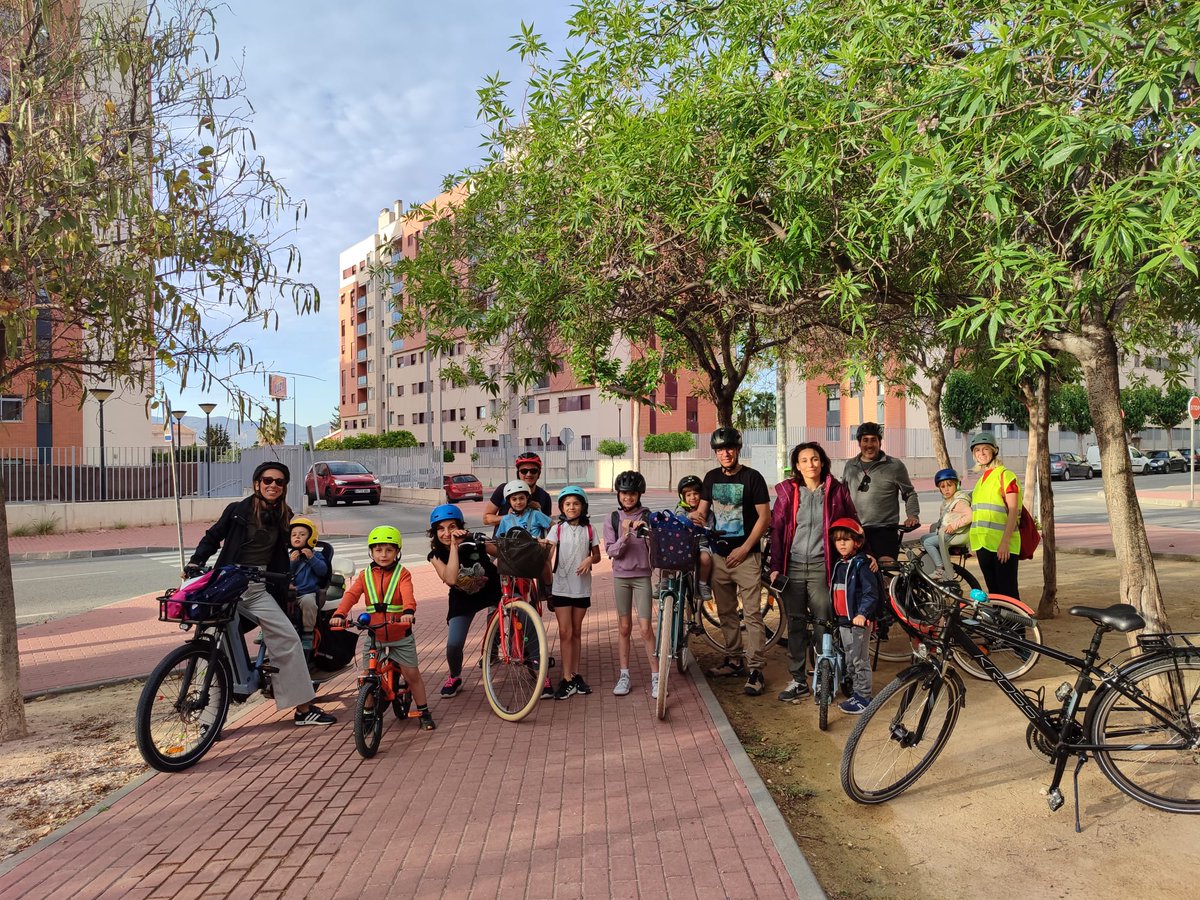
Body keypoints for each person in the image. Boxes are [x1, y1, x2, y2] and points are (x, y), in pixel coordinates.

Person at [185, 462, 335, 726]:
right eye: (267, 480)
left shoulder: (284, 515)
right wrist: (196, 562)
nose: (273, 485)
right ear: (257, 484)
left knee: (287, 639)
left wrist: (304, 560)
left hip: (258, 588)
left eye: (279, 482)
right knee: (212, 644)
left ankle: (303, 709)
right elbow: (212, 537)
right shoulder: (237, 511)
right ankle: (207, 721)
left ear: (284, 487)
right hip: (226, 584)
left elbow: (296, 545)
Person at [768, 442, 859, 703]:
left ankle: (824, 676)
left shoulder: (836, 492)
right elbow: (777, 531)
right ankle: (798, 680)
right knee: (795, 623)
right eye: (805, 460)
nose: (811, 464)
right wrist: (776, 567)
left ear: (823, 462)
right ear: (797, 465)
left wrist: (862, 554)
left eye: (815, 459)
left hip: (822, 565)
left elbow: (851, 522)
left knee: (823, 621)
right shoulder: (787, 493)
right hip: (793, 566)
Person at [689, 427, 771, 697]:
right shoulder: (711, 478)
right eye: (720, 450)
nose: (725, 453)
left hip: (746, 557)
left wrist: (746, 548)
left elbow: (764, 517)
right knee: (725, 612)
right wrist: (692, 518)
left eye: (729, 448)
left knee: (752, 614)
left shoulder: (752, 478)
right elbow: (703, 511)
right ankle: (734, 659)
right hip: (719, 557)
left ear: (738, 449)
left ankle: (756, 669)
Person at [330, 526, 435, 730]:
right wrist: (339, 614)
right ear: (371, 552)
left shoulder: (402, 574)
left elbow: (408, 595)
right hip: (374, 635)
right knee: (367, 676)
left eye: (389, 550)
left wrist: (408, 612)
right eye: (378, 550)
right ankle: (368, 713)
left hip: (400, 633)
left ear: (397, 552)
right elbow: (351, 595)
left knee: (412, 674)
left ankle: (424, 711)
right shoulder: (365, 575)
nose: (383, 555)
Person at [427, 504, 500, 698]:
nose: (446, 532)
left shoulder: (475, 541)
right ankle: (455, 676)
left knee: (523, 613)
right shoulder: (435, 555)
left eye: (452, 527)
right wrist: (454, 546)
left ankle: (536, 664)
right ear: (434, 533)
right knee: (454, 644)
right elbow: (450, 578)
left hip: (493, 589)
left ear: (460, 526)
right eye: (440, 529)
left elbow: (502, 554)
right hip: (463, 598)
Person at [603, 470, 657, 698]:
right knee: (624, 628)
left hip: (642, 577)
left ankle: (656, 677)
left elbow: (657, 548)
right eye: (624, 493)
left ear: (639, 494)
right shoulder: (612, 519)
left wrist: (648, 533)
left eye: (632, 494)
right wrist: (625, 534)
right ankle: (624, 675)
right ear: (619, 494)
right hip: (621, 579)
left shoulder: (648, 516)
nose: (628, 497)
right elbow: (611, 551)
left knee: (646, 629)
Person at [546, 486, 600, 699]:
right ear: (561, 507)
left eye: (575, 504)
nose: (571, 507)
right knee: (565, 632)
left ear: (582, 507)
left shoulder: (590, 530)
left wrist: (590, 559)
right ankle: (566, 677)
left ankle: (575, 675)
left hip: (581, 587)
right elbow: (547, 550)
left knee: (576, 631)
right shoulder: (557, 529)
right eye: (567, 504)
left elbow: (596, 555)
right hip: (561, 586)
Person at [841, 422, 920, 563]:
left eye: (873, 440)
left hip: (884, 530)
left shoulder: (894, 465)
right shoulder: (850, 466)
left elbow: (909, 493)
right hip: (857, 530)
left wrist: (912, 515)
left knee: (886, 572)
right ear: (859, 443)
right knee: (860, 574)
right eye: (865, 440)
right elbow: (843, 496)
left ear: (880, 443)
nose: (869, 445)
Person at [828, 518, 880, 715]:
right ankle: (857, 693)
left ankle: (864, 698)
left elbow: (870, 593)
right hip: (843, 621)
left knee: (859, 659)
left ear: (857, 543)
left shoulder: (862, 564)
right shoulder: (840, 565)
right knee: (850, 659)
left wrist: (862, 614)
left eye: (847, 540)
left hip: (858, 622)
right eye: (838, 540)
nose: (841, 543)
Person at [967, 432, 1022, 599]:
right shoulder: (981, 480)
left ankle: (1017, 626)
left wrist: (1005, 542)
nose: (981, 453)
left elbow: (1013, 511)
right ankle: (1001, 626)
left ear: (994, 451)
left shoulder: (1005, 475)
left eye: (985, 449)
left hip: (1003, 545)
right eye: (977, 450)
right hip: (983, 545)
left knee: (1008, 593)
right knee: (995, 593)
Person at [287, 516, 328, 657]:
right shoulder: (289, 556)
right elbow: (284, 573)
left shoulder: (316, 555)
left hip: (307, 593)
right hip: (290, 594)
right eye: (294, 534)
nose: (297, 536)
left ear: (311, 537)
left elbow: (323, 571)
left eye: (302, 534)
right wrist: (292, 562)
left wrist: (311, 558)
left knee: (309, 603)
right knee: (272, 600)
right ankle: (267, 629)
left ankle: (308, 633)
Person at [922, 468, 972, 580]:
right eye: (943, 487)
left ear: (957, 485)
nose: (946, 489)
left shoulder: (959, 501)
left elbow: (970, 516)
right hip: (946, 532)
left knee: (928, 543)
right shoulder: (947, 502)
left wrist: (953, 526)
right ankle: (937, 560)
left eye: (950, 485)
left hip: (953, 533)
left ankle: (940, 568)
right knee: (923, 539)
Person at [483, 452, 553, 526]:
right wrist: (510, 517)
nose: (528, 474)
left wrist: (539, 511)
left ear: (539, 473)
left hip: (533, 537)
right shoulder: (504, 489)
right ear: (518, 473)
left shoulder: (544, 496)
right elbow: (486, 519)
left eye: (533, 471)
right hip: (504, 536)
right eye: (524, 471)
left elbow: (548, 526)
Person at [675, 475, 713, 600]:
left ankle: (703, 584)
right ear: (683, 497)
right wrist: (689, 518)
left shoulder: (708, 512)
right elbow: (676, 521)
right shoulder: (681, 509)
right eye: (688, 495)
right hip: (682, 545)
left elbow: (711, 528)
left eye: (696, 494)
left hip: (701, 545)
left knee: (706, 558)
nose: (692, 497)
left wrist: (706, 525)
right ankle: (664, 581)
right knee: (668, 555)